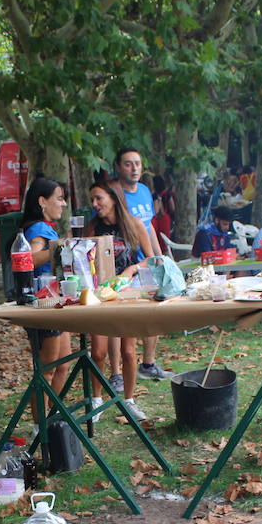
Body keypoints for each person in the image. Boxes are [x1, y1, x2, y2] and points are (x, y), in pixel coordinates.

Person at [89, 179, 156, 423]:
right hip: (99, 295)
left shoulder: (135, 224)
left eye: (99, 199)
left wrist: (131, 269)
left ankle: (129, 401)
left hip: (127, 293)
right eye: (93, 200)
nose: (95, 204)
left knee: (129, 351)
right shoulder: (92, 228)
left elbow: (151, 259)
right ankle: (96, 401)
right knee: (98, 352)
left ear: (114, 199)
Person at [114, 148, 174, 381]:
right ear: (119, 167)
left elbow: (149, 227)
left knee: (156, 311)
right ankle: (117, 373)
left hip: (148, 259)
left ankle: (148, 363)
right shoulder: (116, 193)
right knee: (123, 320)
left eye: (137, 163)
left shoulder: (145, 191)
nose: (134, 168)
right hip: (127, 262)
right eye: (128, 164)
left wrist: (161, 257)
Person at [16, 178, 71, 394]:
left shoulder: (44, 227)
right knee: (47, 370)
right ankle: (41, 425)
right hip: (43, 303)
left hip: (55, 302)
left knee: (63, 364)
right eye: (59, 198)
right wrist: (60, 249)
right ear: (42, 201)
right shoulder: (38, 228)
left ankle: (54, 416)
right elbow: (29, 257)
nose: (64, 203)